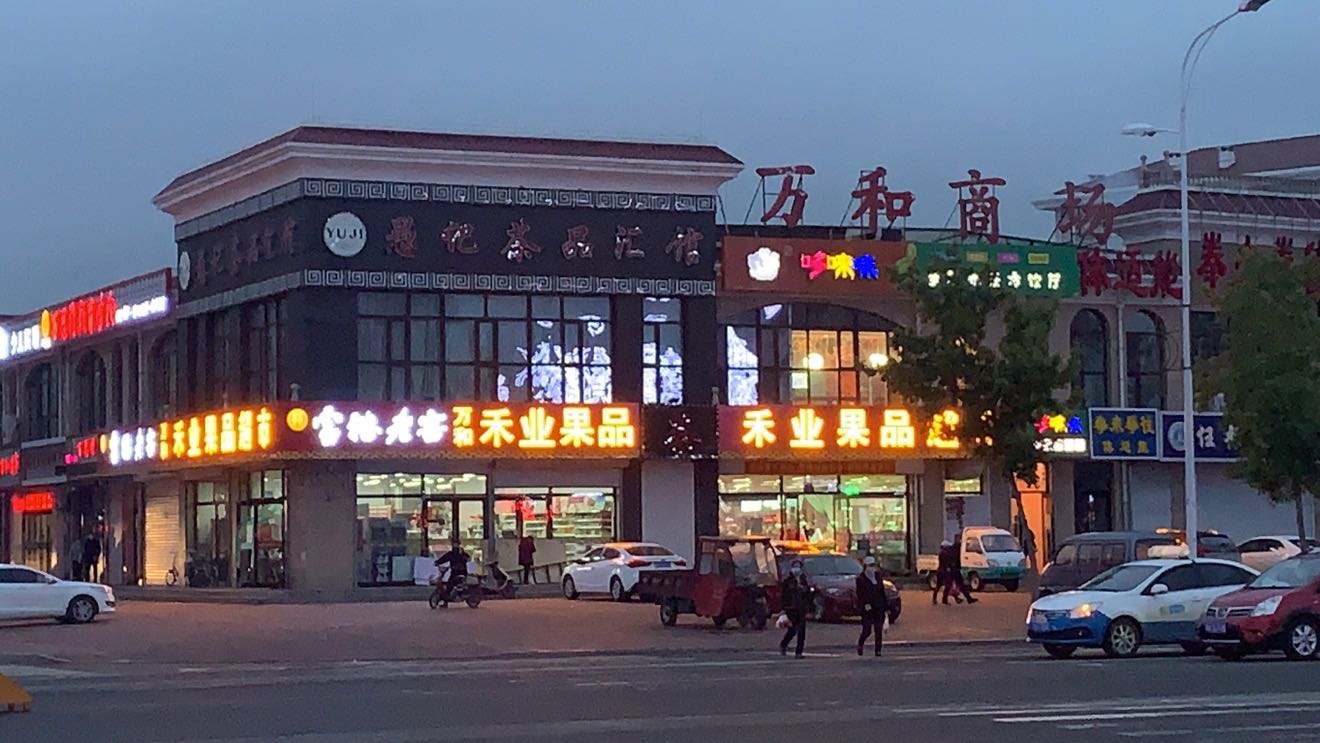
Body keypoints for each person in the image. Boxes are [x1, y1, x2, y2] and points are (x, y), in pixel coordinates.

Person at [779, 558, 813, 659]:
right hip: (791, 608)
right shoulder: (788, 581)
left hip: (801, 608)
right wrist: (784, 608)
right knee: (793, 630)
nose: (797, 569)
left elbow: (807, 595)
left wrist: (809, 608)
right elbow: (784, 596)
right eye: (795, 567)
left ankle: (799, 652)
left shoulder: (803, 580)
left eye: (798, 567)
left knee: (801, 630)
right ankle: (784, 644)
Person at [855, 556, 889, 657]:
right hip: (868, 608)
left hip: (879, 606)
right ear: (865, 567)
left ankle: (878, 650)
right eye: (870, 566)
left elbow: (882, 591)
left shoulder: (878, 577)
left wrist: (885, 606)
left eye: (874, 565)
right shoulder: (861, 579)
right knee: (867, 629)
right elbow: (860, 594)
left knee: (878, 629)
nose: (872, 568)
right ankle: (860, 644)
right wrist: (865, 604)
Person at [950, 532, 978, 604]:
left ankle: (966, 598)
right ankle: (967, 599)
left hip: (954, 569)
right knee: (956, 585)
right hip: (954, 569)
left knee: (957, 585)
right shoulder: (957, 547)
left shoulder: (955, 547)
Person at [933, 540, 963, 605]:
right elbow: (947, 563)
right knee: (946, 585)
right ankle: (944, 599)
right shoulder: (944, 553)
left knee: (943, 586)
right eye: (948, 547)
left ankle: (937, 599)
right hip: (944, 572)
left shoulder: (943, 553)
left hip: (942, 571)